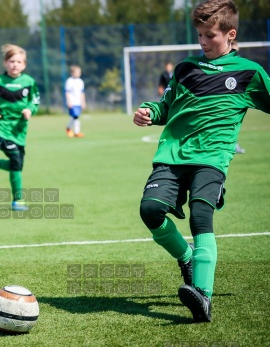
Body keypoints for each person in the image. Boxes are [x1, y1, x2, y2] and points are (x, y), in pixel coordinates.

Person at [133, 0, 270, 323]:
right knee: (150, 210)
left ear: (230, 34)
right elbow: (165, 107)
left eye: (210, 35)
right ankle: (187, 258)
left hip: (213, 156)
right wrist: (149, 112)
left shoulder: (250, 73)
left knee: (201, 215)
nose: (204, 42)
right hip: (174, 153)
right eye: (200, 35)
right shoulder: (185, 69)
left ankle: (202, 296)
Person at [0, 44, 40, 211]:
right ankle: (18, 201)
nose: (15, 64)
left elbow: (34, 100)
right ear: (5, 63)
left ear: (24, 64)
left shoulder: (29, 82)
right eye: (12, 61)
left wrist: (30, 109)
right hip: (2, 127)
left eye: (19, 61)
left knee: (18, 165)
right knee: (15, 162)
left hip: (19, 129)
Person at [64, 65, 86, 138]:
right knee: (76, 116)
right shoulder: (69, 81)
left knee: (74, 117)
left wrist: (83, 102)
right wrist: (69, 101)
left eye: (79, 72)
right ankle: (77, 132)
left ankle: (68, 128)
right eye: (76, 72)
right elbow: (67, 92)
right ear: (72, 73)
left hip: (78, 102)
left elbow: (82, 93)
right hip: (72, 102)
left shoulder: (80, 82)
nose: (78, 73)